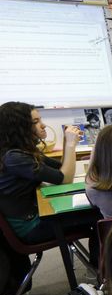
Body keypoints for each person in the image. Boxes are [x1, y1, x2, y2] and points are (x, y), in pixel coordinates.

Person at [0, 102, 98, 260]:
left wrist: (67, 142)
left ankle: (100, 267)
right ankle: (103, 271)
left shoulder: (22, 152)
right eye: (35, 122)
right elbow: (65, 179)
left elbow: (61, 169)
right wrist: (71, 145)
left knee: (95, 213)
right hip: (30, 228)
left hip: (35, 217)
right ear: (18, 127)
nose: (43, 125)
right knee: (100, 217)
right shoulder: (14, 158)